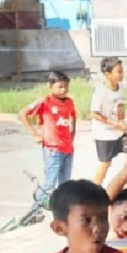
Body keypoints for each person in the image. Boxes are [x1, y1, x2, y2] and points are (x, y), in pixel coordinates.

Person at [19, 70, 76, 205]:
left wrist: (72, 133)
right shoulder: (45, 102)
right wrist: (35, 134)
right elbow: (22, 114)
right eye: (60, 87)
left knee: (65, 184)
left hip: (67, 148)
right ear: (51, 87)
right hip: (53, 149)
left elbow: (73, 117)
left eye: (66, 86)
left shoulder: (69, 102)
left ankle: (62, 211)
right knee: (50, 182)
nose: (64, 90)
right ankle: (35, 210)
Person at [89, 56, 127, 187]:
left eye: (122, 71)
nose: (121, 74)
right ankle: (93, 191)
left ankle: (121, 188)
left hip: (120, 132)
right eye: (118, 71)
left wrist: (122, 121)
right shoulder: (101, 91)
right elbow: (94, 113)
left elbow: (120, 106)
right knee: (105, 164)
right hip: (104, 134)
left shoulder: (120, 87)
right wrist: (115, 124)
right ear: (108, 74)